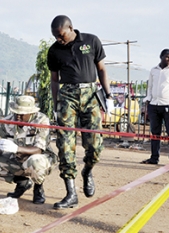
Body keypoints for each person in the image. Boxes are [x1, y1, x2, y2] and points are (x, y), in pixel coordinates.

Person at [46, 15, 113, 209]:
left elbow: (101, 69)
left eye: (61, 35)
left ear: (70, 28)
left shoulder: (91, 41)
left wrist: (108, 96)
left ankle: (87, 171)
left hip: (90, 95)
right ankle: (71, 193)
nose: (59, 39)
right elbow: (54, 79)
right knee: (65, 145)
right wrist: (56, 104)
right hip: (67, 95)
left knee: (95, 146)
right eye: (55, 36)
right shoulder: (54, 50)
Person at [0, 95, 58, 204]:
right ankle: (22, 182)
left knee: (35, 162)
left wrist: (17, 148)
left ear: (31, 112)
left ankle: (38, 187)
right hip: (17, 159)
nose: (18, 117)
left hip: (41, 159)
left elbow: (39, 149)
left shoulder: (41, 120)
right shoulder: (7, 122)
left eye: (22, 114)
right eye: (16, 112)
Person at [141, 49, 169, 164]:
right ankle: (154, 158)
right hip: (154, 105)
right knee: (155, 133)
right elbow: (150, 86)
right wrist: (148, 99)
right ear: (161, 57)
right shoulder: (154, 70)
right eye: (167, 57)